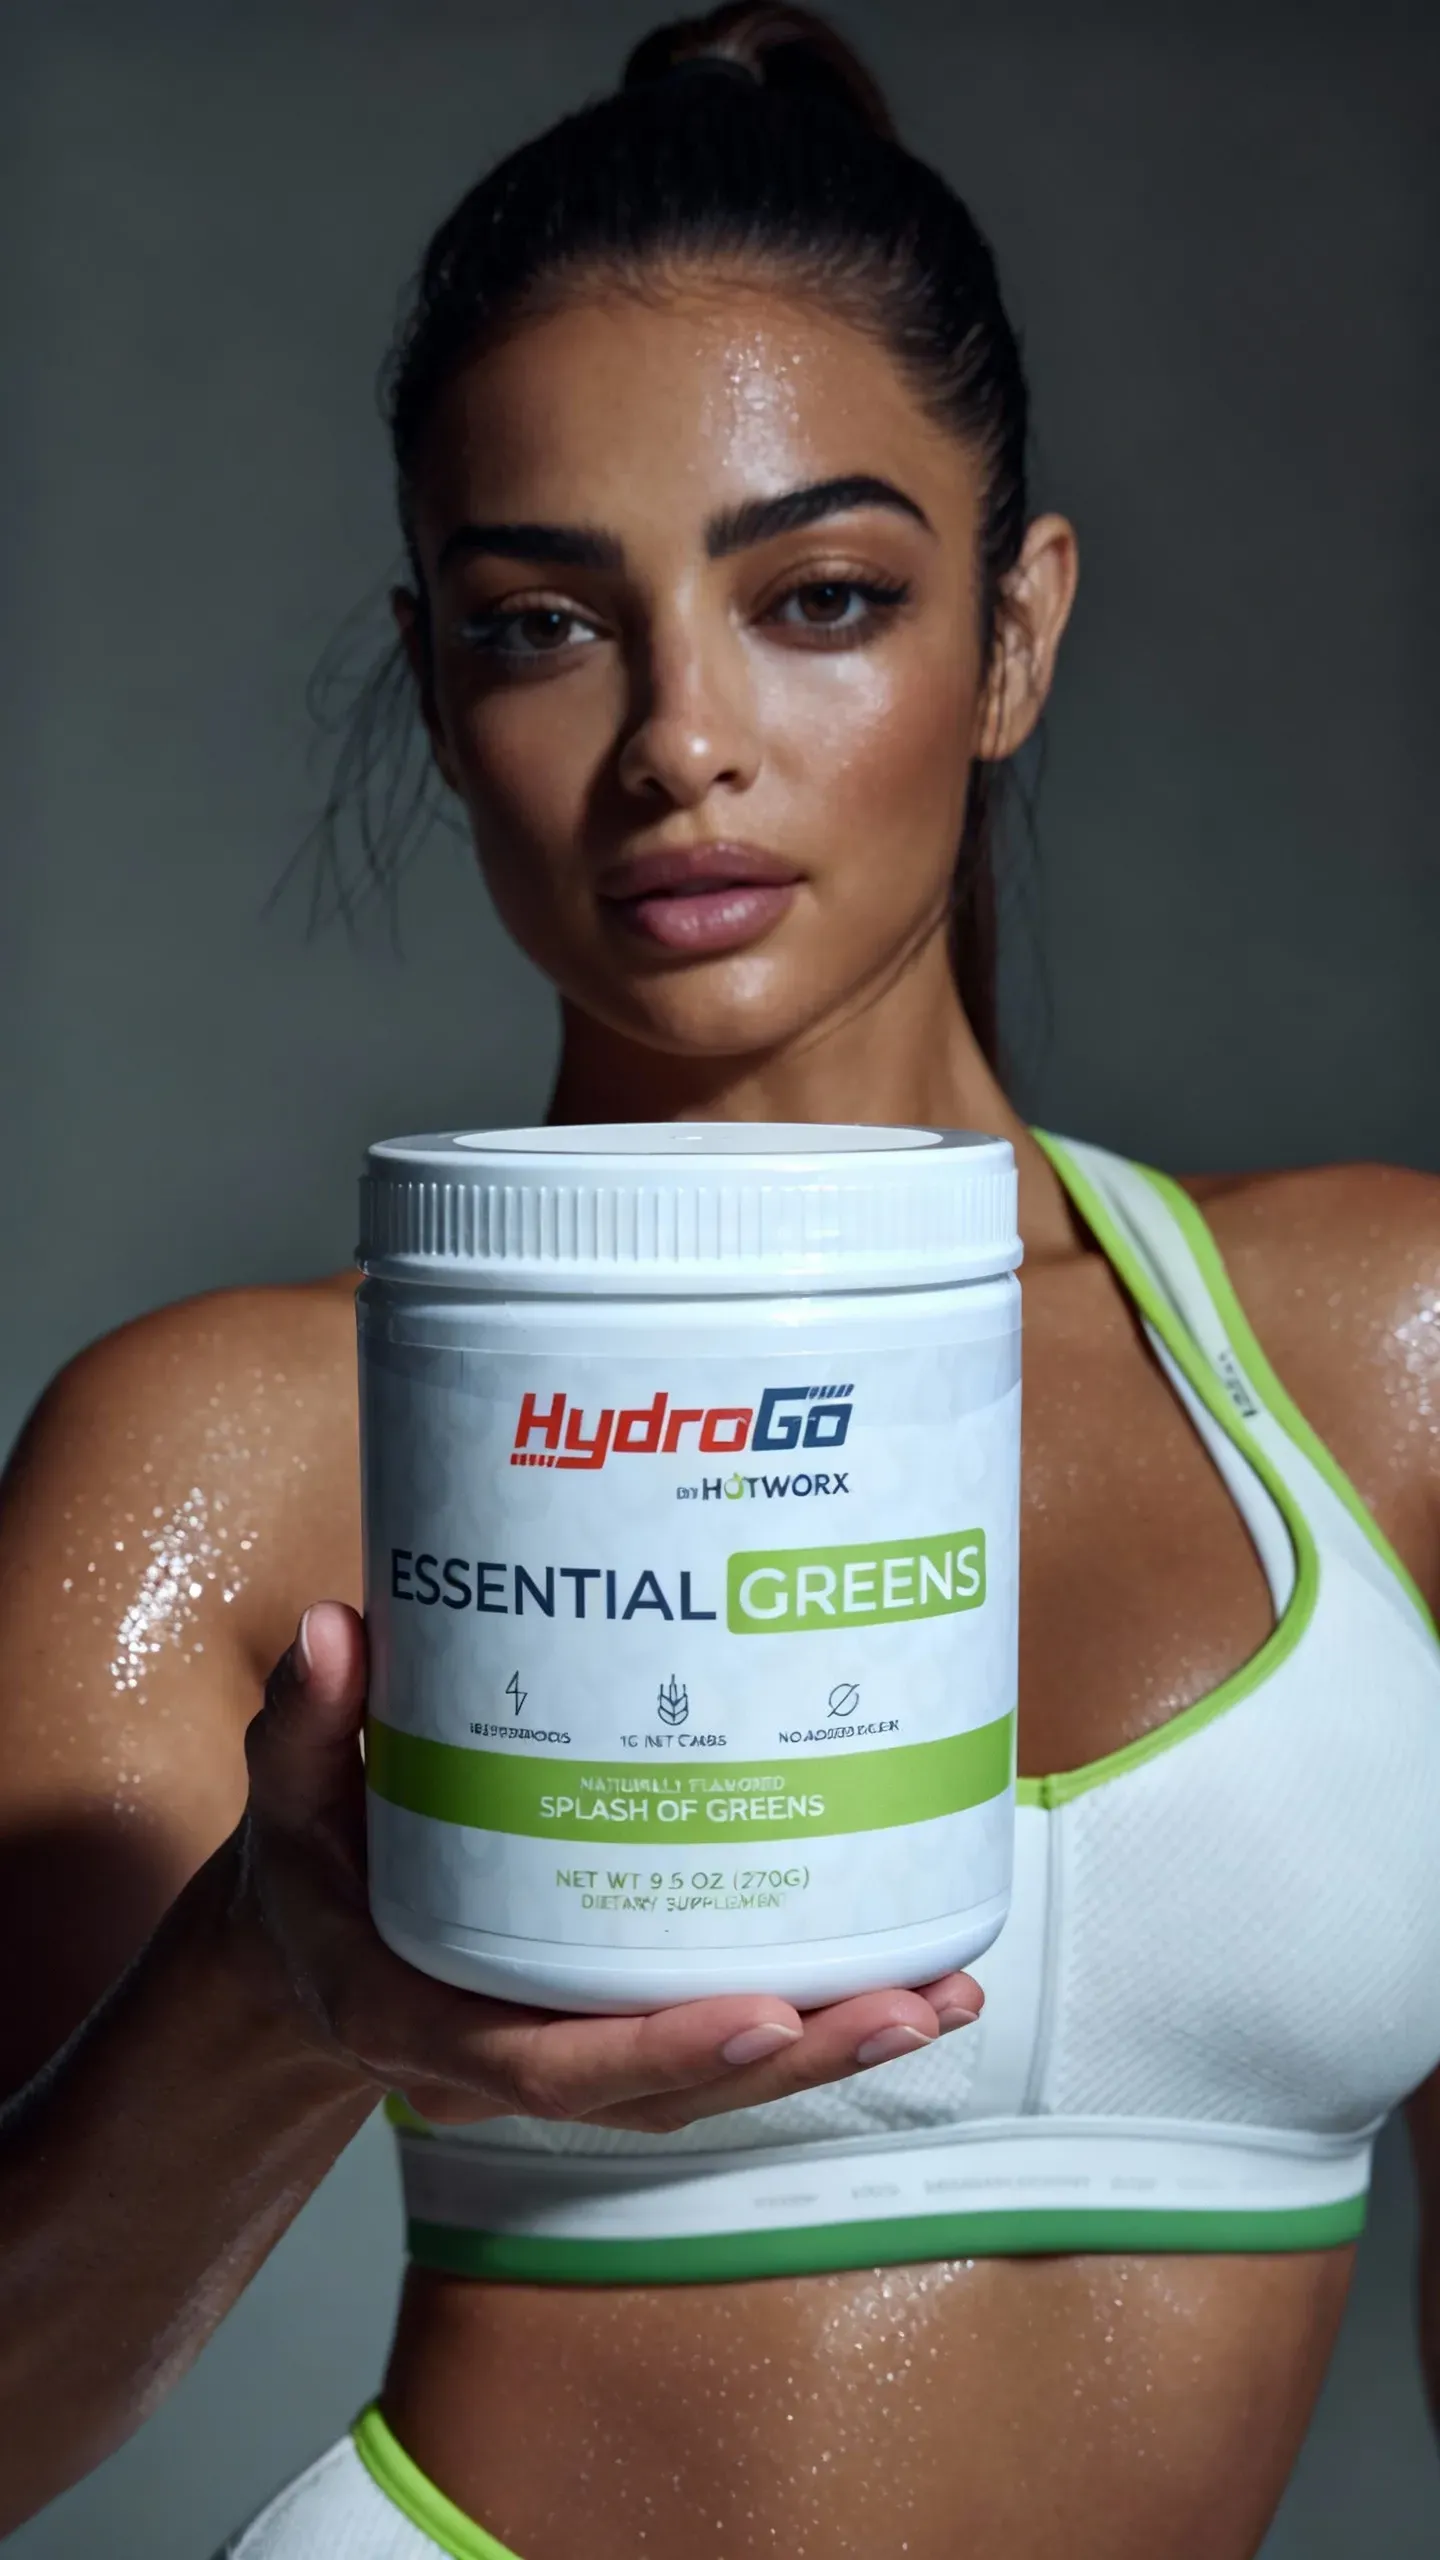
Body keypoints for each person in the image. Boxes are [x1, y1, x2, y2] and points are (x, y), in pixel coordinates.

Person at [2, 6, 1439, 2554]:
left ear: (1013, 634)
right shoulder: (224, 1458)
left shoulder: (1381, 1360)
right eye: (544, 622)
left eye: (823, 594)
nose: (683, 733)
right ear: (441, 693)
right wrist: (272, 1988)